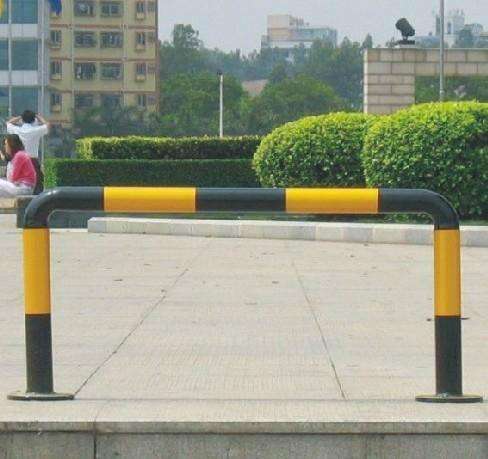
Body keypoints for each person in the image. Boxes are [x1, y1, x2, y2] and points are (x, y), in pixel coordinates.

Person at [6, 111, 49, 194]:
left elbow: (8, 123)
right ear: (33, 120)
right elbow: (47, 125)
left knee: (18, 184)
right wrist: (38, 117)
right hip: (33, 161)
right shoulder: (36, 130)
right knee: (37, 186)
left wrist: (20, 116)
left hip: (19, 161)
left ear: (22, 120)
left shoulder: (17, 130)